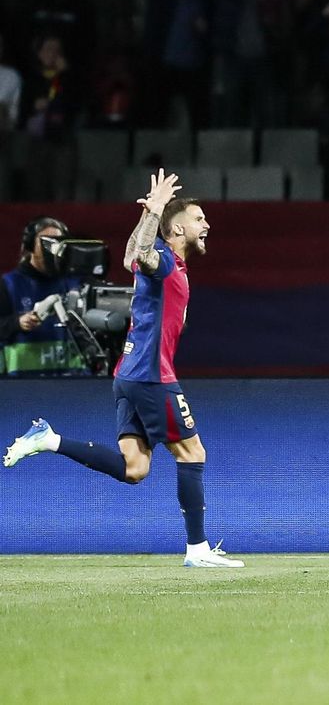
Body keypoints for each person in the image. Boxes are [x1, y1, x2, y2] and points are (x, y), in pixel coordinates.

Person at [2, 169, 242, 567]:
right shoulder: (163, 260)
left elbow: (134, 255)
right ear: (177, 227)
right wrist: (154, 212)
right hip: (151, 375)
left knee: (135, 468)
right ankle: (198, 550)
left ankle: (48, 440)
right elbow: (136, 255)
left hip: (128, 375)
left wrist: (150, 216)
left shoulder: (171, 265)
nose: (207, 225)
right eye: (199, 219)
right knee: (192, 452)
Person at [0, 216, 86, 375]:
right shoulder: (9, 284)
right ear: (30, 245)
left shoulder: (74, 283)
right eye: (46, 241)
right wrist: (16, 323)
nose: (53, 247)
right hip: (23, 383)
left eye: (58, 241)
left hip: (71, 381)